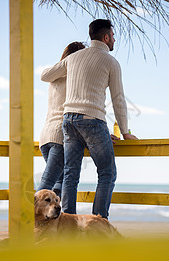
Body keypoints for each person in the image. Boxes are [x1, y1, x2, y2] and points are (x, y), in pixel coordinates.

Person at [41, 19, 138, 218]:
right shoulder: (111, 61)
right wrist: (126, 132)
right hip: (93, 120)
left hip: (68, 122)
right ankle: (99, 220)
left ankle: (68, 222)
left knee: (70, 175)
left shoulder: (74, 58)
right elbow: (118, 99)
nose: (114, 40)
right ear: (106, 37)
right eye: (113, 36)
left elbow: (47, 75)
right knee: (107, 173)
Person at [37, 42, 85, 197]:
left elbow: (44, 74)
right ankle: (28, 219)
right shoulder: (75, 79)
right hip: (60, 137)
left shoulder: (54, 77)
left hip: (45, 137)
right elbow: (82, 110)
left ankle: (56, 220)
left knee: (59, 182)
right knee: (46, 186)